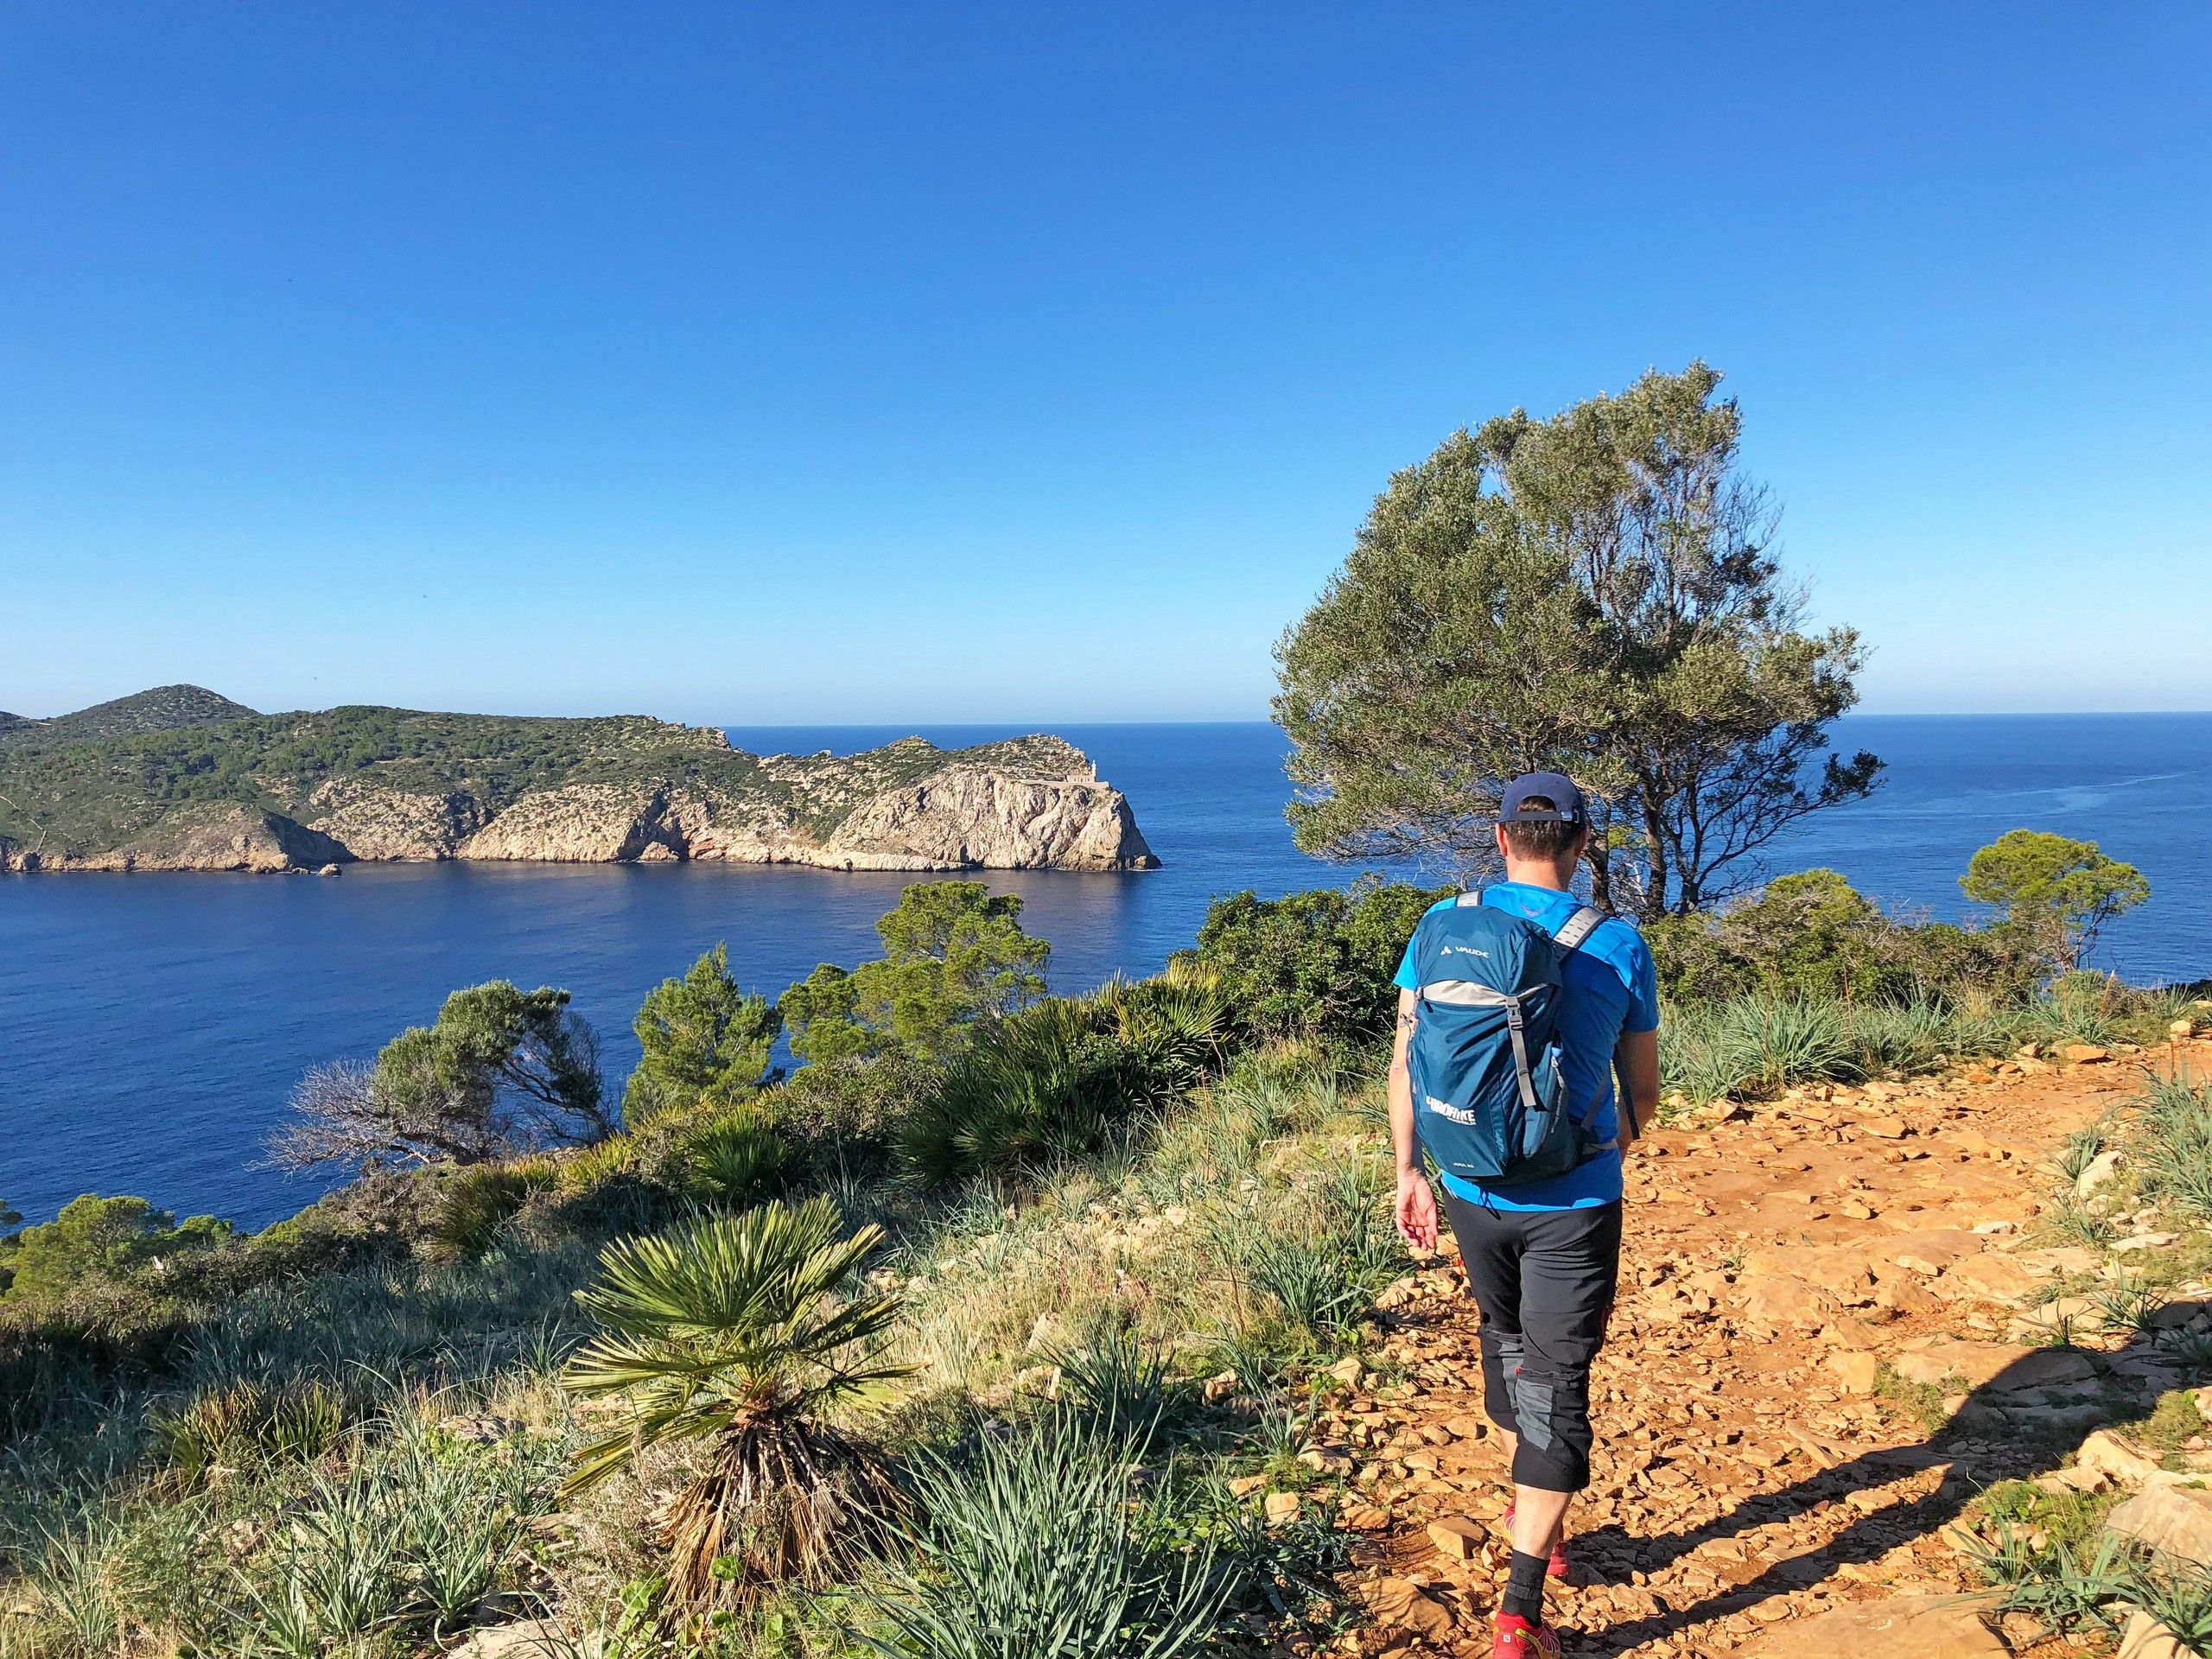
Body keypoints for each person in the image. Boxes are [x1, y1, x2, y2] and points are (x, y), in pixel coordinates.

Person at [1388, 772, 1662, 1659]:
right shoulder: (1615, 944)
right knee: (1557, 1387)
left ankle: (1529, 1498)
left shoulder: (1440, 925)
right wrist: (1606, 1148)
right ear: (1582, 847)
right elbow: (1643, 1092)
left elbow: (1406, 1061)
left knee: (1503, 1334)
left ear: (1499, 839)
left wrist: (1409, 1172)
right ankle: (1518, 1613)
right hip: (1572, 1203)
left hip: (1467, 1188)